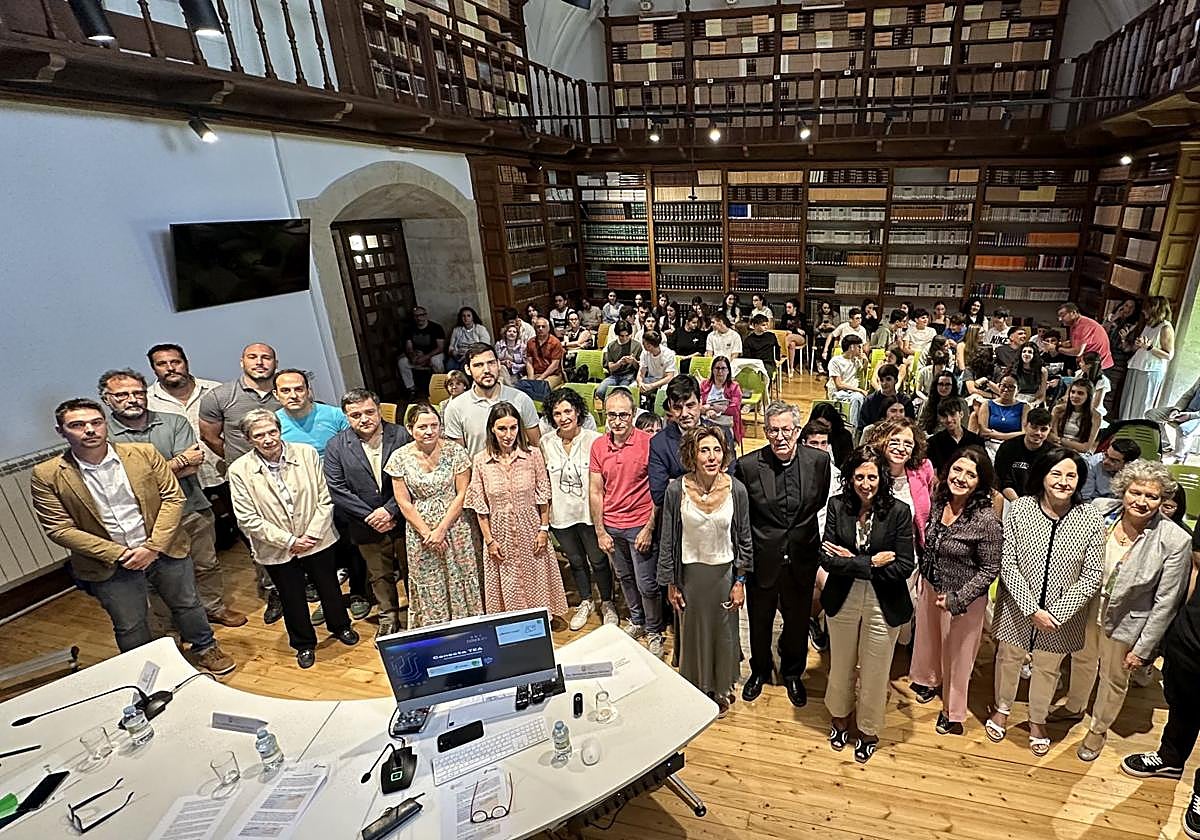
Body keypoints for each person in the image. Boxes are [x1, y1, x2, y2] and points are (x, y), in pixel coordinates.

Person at [31, 399, 236, 673]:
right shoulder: (47, 474)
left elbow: (173, 498)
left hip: (164, 549)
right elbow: (59, 528)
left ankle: (205, 648)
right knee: (130, 623)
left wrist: (153, 547)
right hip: (109, 562)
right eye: (77, 425)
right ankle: (144, 668)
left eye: (96, 422)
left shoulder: (143, 453)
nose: (89, 430)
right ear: (61, 431)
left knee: (188, 604)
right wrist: (121, 554)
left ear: (105, 424)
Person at [1050, 460, 1192, 762]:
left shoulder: (1175, 540)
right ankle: (1075, 706)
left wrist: (1144, 648)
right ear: (1122, 490)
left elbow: (1166, 602)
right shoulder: (1098, 510)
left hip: (1128, 622)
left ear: (1163, 499)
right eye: (1135, 492)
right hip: (1085, 608)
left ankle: (1098, 729)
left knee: (1114, 677)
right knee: (1082, 660)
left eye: (1152, 496)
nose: (1141, 502)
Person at [99, 369, 244, 629]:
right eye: (121, 395)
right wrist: (175, 464)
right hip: (143, 520)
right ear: (106, 399)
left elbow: (192, 464)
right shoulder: (104, 436)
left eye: (137, 393)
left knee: (206, 564)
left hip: (191, 507)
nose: (132, 399)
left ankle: (213, 607)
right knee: (160, 577)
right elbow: (119, 484)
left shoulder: (173, 421)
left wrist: (145, 475)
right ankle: (173, 625)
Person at [988, 447, 1104, 756]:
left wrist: (1055, 613)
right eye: (1057, 473)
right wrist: (1030, 608)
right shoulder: (1022, 508)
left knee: (1048, 668)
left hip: (1061, 616)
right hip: (1017, 607)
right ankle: (1002, 708)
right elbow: (1007, 563)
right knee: (1008, 659)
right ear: (1043, 476)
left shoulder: (1090, 516)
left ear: (1080, 481)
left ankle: (1038, 719)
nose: (1064, 481)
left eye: (1071, 475)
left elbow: (1092, 575)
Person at [228, 409, 357, 669]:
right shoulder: (238, 470)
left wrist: (311, 534)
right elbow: (247, 518)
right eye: (259, 435)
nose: (268, 439)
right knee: (291, 596)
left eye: (272, 432)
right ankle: (303, 643)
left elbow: (324, 497)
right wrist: (289, 541)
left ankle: (340, 625)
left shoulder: (306, 453)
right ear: (248, 439)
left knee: (329, 587)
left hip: (317, 538)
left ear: (280, 430)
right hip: (276, 547)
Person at [821, 445, 915, 762]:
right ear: (849, 478)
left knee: (876, 670)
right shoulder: (837, 507)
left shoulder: (900, 512)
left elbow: (904, 565)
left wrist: (852, 560)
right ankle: (839, 716)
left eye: (872, 477)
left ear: (882, 478)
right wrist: (872, 562)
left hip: (883, 599)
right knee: (841, 665)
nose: (865, 483)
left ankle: (869, 728)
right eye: (859, 476)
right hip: (843, 595)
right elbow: (827, 558)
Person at [735, 402, 832, 707]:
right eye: (773, 430)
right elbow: (744, 518)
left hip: (802, 558)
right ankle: (760, 671)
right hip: (764, 559)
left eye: (786, 429)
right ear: (765, 431)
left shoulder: (818, 461)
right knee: (759, 620)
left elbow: (818, 502)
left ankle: (792, 673)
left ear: (797, 430)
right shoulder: (748, 466)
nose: (780, 436)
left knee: (797, 621)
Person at [658, 426, 753, 717]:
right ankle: (697, 687)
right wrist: (671, 583)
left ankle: (720, 687)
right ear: (693, 455)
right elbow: (668, 540)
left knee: (723, 635)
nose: (711, 456)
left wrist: (740, 581)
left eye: (716, 450)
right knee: (692, 633)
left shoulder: (737, 489)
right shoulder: (677, 490)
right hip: (690, 577)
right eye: (704, 450)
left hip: (724, 575)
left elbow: (745, 539)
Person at [909, 446, 1002, 735]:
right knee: (929, 640)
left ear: (980, 482)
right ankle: (928, 680)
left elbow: (990, 569)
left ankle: (953, 711)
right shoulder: (939, 501)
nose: (960, 478)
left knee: (959, 657)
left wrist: (958, 599)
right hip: (932, 585)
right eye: (957, 469)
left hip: (963, 599)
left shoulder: (985, 519)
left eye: (970, 474)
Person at [1120, 512, 1200, 840]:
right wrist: (1176, 624)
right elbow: (1197, 565)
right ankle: (1170, 758)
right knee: (1183, 703)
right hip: (1193, 633)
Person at [197, 342, 283, 623]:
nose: (260, 362)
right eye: (253, 357)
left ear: (275, 362)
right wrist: (240, 462)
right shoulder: (220, 396)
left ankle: (302, 581)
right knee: (259, 537)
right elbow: (210, 436)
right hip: (248, 482)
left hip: (287, 474)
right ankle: (273, 590)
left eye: (266, 357)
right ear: (242, 361)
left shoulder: (286, 392)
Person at [466, 403, 567, 618]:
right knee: (508, 583)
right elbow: (480, 507)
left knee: (536, 578)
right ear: (492, 429)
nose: (508, 434)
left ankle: (539, 623)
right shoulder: (481, 461)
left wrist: (543, 529)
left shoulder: (533, 455)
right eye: (502, 428)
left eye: (513, 428)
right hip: (499, 535)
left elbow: (544, 496)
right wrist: (489, 541)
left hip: (531, 531)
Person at [324, 389, 411, 638]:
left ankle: (417, 613)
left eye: (369, 412)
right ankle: (388, 617)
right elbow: (336, 489)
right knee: (379, 574)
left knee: (412, 569)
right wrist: (373, 515)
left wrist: (390, 509)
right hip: (365, 524)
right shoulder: (336, 445)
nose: (364, 419)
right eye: (355, 415)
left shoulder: (401, 435)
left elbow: (414, 476)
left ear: (379, 410)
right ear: (346, 416)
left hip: (405, 518)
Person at [385, 403, 481, 628]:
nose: (429, 431)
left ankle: (470, 624)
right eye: (422, 427)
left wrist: (442, 529)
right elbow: (403, 501)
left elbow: (462, 493)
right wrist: (427, 532)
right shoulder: (399, 458)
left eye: (434, 425)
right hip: (421, 531)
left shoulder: (455, 451)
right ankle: (437, 627)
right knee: (430, 578)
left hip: (457, 526)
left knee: (462, 573)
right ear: (410, 429)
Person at [590, 388, 665, 656]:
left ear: (633, 415)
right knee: (624, 578)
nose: (618, 420)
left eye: (623, 414)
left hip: (640, 525)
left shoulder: (648, 444)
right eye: (612, 415)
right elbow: (596, 491)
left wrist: (649, 527)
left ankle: (655, 630)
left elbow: (658, 490)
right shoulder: (599, 446)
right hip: (612, 525)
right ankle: (637, 620)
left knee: (647, 584)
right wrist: (600, 530)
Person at [540, 389, 616, 631]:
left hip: (589, 514)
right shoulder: (545, 442)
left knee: (599, 560)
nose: (563, 417)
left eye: (568, 411)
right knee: (576, 561)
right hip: (561, 516)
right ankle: (586, 601)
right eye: (557, 413)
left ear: (578, 412)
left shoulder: (595, 439)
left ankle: (607, 602)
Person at [145, 344, 231, 548]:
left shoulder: (215, 390)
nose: (170, 368)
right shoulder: (148, 402)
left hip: (224, 469)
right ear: (154, 369)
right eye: (162, 364)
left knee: (245, 527)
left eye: (175, 362)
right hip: (185, 479)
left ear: (185, 362)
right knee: (200, 541)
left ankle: (264, 576)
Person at [649, 376, 736, 509]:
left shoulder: (722, 434)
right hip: (679, 517)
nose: (684, 414)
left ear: (700, 402)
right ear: (670, 408)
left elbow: (729, 482)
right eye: (677, 407)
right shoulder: (659, 443)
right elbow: (660, 495)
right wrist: (708, 481)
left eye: (690, 405)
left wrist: (675, 482)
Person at [444, 344, 540, 457]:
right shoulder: (455, 408)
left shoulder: (521, 399)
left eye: (491, 363)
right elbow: (459, 460)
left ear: (499, 364)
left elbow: (536, 446)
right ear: (468, 369)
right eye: (478, 365)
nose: (487, 370)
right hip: (478, 472)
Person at [1121, 296, 1175, 420]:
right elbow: (1134, 349)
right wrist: (1125, 340)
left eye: (1146, 309)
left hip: (1150, 371)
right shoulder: (1149, 325)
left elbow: (1169, 355)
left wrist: (1150, 347)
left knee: (1141, 406)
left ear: (1154, 309)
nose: (1143, 312)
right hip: (1136, 366)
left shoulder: (1165, 328)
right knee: (1128, 404)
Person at [273, 369, 349, 457]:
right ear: (276, 394)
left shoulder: (336, 415)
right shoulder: (272, 422)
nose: (293, 396)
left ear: (308, 391)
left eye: (299, 389)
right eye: (285, 391)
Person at [994, 407, 1053, 501]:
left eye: (1043, 429)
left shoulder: (1053, 453)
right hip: (1009, 498)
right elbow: (1003, 481)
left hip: (1040, 501)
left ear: (1050, 429)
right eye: (1034, 427)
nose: (1038, 433)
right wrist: (1019, 504)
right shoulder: (1007, 447)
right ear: (1025, 426)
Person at [1147, 372, 1200, 461]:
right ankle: (1165, 445)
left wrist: (1190, 416)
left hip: (1197, 418)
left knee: (1184, 429)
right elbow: (1188, 395)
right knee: (1152, 414)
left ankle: (1179, 458)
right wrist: (1176, 409)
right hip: (1185, 411)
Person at [926, 398, 986, 472]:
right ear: (940, 419)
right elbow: (932, 471)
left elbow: (983, 468)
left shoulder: (977, 441)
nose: (949, 419)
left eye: (952, 414)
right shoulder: (933, 442)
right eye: (944, 416)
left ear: (961, 414)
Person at [975, 374, 1028, 455]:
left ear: (1018, 390)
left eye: (1011, 387)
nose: (1006, 389)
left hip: (1015, 445)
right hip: (990, 446)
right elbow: (983, 432)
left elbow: (1024, 432)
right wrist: (1011, 435)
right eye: (1003, 385)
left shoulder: (1025, 407)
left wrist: (997, 435)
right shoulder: (987, 404)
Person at [398, 306, 446, 395]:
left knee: (436, 361)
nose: (419, 318)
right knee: (402, 362)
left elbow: (440, 347)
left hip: (433, 354)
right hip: (418, 355)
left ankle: (441, 385)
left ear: (426, 315)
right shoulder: (409, 329)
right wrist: (412, 356)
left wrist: (425, 357)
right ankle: (411, 389)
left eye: (421, 315)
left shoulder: (436, 328)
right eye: (416, 316)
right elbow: (409, 347)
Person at [518, 317, 565, 401]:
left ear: (548, 328)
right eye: (538, 327)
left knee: (542, 386)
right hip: (535, 373)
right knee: (519, 386)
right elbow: (529, 362)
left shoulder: (555, 342)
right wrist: (531, 378)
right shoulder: (530, 342)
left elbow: (554, 365)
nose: (540, 329)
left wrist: (541, 378)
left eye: (543, 327)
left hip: (552, 375)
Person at [1058, 302, 1114, 371]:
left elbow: (1078, 351)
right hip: (1087, 363)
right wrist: (1061, 344)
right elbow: (1078, 342)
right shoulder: (1074, 324)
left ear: (1073, 313)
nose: (1060, 319)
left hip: (1100, 365)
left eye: (1063, 316)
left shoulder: (1083, 325)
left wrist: (1057, 349)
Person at [826, 335, 868, 428]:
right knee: (857, 398)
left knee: (864, 399)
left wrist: (865, 361)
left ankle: (859, 428)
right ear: (852, 347)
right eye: (859, 347)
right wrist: (859, 390)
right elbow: (839, 385)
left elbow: (863, 374)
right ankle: (853, 429)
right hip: (839, 393)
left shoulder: (856, 360)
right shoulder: (835, 361)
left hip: (853, 392)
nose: (861, 349)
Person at [1050, 380, 1102, 454]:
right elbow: (1053, 437)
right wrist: (1060, 442)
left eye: (1080, 393)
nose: (1075, 396)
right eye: (1073, 392)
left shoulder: (1096, 416)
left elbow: (1086, 448)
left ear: (1088, 396)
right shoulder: (1058, 409)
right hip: (1058, 449)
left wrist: (1061, 440)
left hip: (1078, 454)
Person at [700, 356, 743, 441]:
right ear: (712, 370)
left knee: (722, 437)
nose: (720, 371)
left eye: (723, 368)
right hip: (706, 419)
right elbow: (698, 406)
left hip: (726, 423)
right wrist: (708, 411)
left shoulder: (734, 387)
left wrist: (711, 407)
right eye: (717, 368)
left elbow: (734, 410)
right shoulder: (704, 385)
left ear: (728, 371)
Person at [859, 364, 915, 430]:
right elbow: (863, 425)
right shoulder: (870, 400)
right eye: (882, 380)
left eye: (888, 379)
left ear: (896, 380)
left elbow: (911, 424)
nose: (884, 383)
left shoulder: (905, 401)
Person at [597, 320, 641, 400]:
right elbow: (611, 368)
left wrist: (633, 361)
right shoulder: (611, 346)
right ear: (617, 335)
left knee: (621, 392)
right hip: (615, 375)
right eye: (622, 336)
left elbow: (640, 367)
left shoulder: (637, 345)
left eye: (627, 336)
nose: (625, 338)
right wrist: (619, 363)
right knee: (600, 391)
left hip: (630, 375)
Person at [636, 331, 676, 408]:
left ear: (649, 345)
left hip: (666, 381)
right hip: (652, 378)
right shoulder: (644, 353)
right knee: (634, 386)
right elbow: (641, 372)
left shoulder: (669, 354)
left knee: (663, 391)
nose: (642, 344)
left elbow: (669, 377)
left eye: (643, 342)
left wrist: (651, 386)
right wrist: (640, 382)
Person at [809, 402, 855, 468]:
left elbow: (847, 463)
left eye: (826, 426)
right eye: (819, 424)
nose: (822, 429)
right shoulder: (806, 434)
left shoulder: (844, 437)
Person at [446, 306, 491, 371]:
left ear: (473, 317)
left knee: (464, 366)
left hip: (474, 354)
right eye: (463, 316)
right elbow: (451, 346)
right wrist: (454, 352)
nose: (466, 318)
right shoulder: (456, 330)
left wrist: (468, 353)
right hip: (458, 354)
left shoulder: (480, 329)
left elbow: (485, 346)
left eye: (468, 316)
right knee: (450, 366)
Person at [918, 371, 960, 436]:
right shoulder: (928, 402)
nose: (944, 388)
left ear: (953, 386)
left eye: (947, 384)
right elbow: (921, 425)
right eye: (941, 384)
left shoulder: (960, 403)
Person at [781, 299, 809, 369]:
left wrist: (795, 330)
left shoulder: (802, 316)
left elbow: (806, 331)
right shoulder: (784, 317)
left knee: (790, 337)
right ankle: (790, 368)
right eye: (786, 307)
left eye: (789, 307)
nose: (787, 309)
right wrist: (787, 331)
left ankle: (781, 356)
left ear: (795, 308)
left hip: (800, 338)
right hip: (788, 339)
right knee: (792, 344)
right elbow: (781, 329)